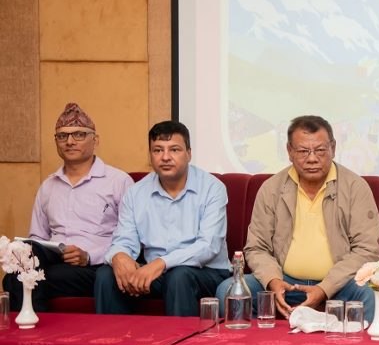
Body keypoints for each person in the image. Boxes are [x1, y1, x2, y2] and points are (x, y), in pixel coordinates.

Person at [215, 115, 379, 321]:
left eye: (320, 150)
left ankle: (363, 344)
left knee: (371, 291)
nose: (312, 158)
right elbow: (257, 247)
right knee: (227, 290)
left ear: (333, 148)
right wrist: (273, 281)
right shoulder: (272, 188)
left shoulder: (355, 187)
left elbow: (367, 249)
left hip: (341, 284)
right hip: (285, 283)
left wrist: (325, 288)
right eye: (303, 151)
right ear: (289, 151)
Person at [2, 103, 133, 311]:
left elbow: (131, 237)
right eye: (62, 136)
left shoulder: (118, 181)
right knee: (22, 261)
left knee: (18, 279)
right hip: (53, 260)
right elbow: (37, 237)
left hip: (98, 267)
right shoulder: (48, 186)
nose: (70, 142)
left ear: (95, 140)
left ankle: (33, 325)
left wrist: (88, 256)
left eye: (79, 134)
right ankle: (33, 324)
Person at [94, 121, 230, 316]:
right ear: (150, 155)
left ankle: (182, 337)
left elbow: (208, 246)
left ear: (189, 154)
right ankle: (113, 336)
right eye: (158, 150)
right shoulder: (135, 193)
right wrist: (119, 256)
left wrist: (160, 263)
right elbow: (123, 240)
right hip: (154, 273)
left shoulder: (212, 188)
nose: (165, 157)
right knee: (106, 275)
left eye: (174, 150)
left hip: (204, 272)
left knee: (179, 276)